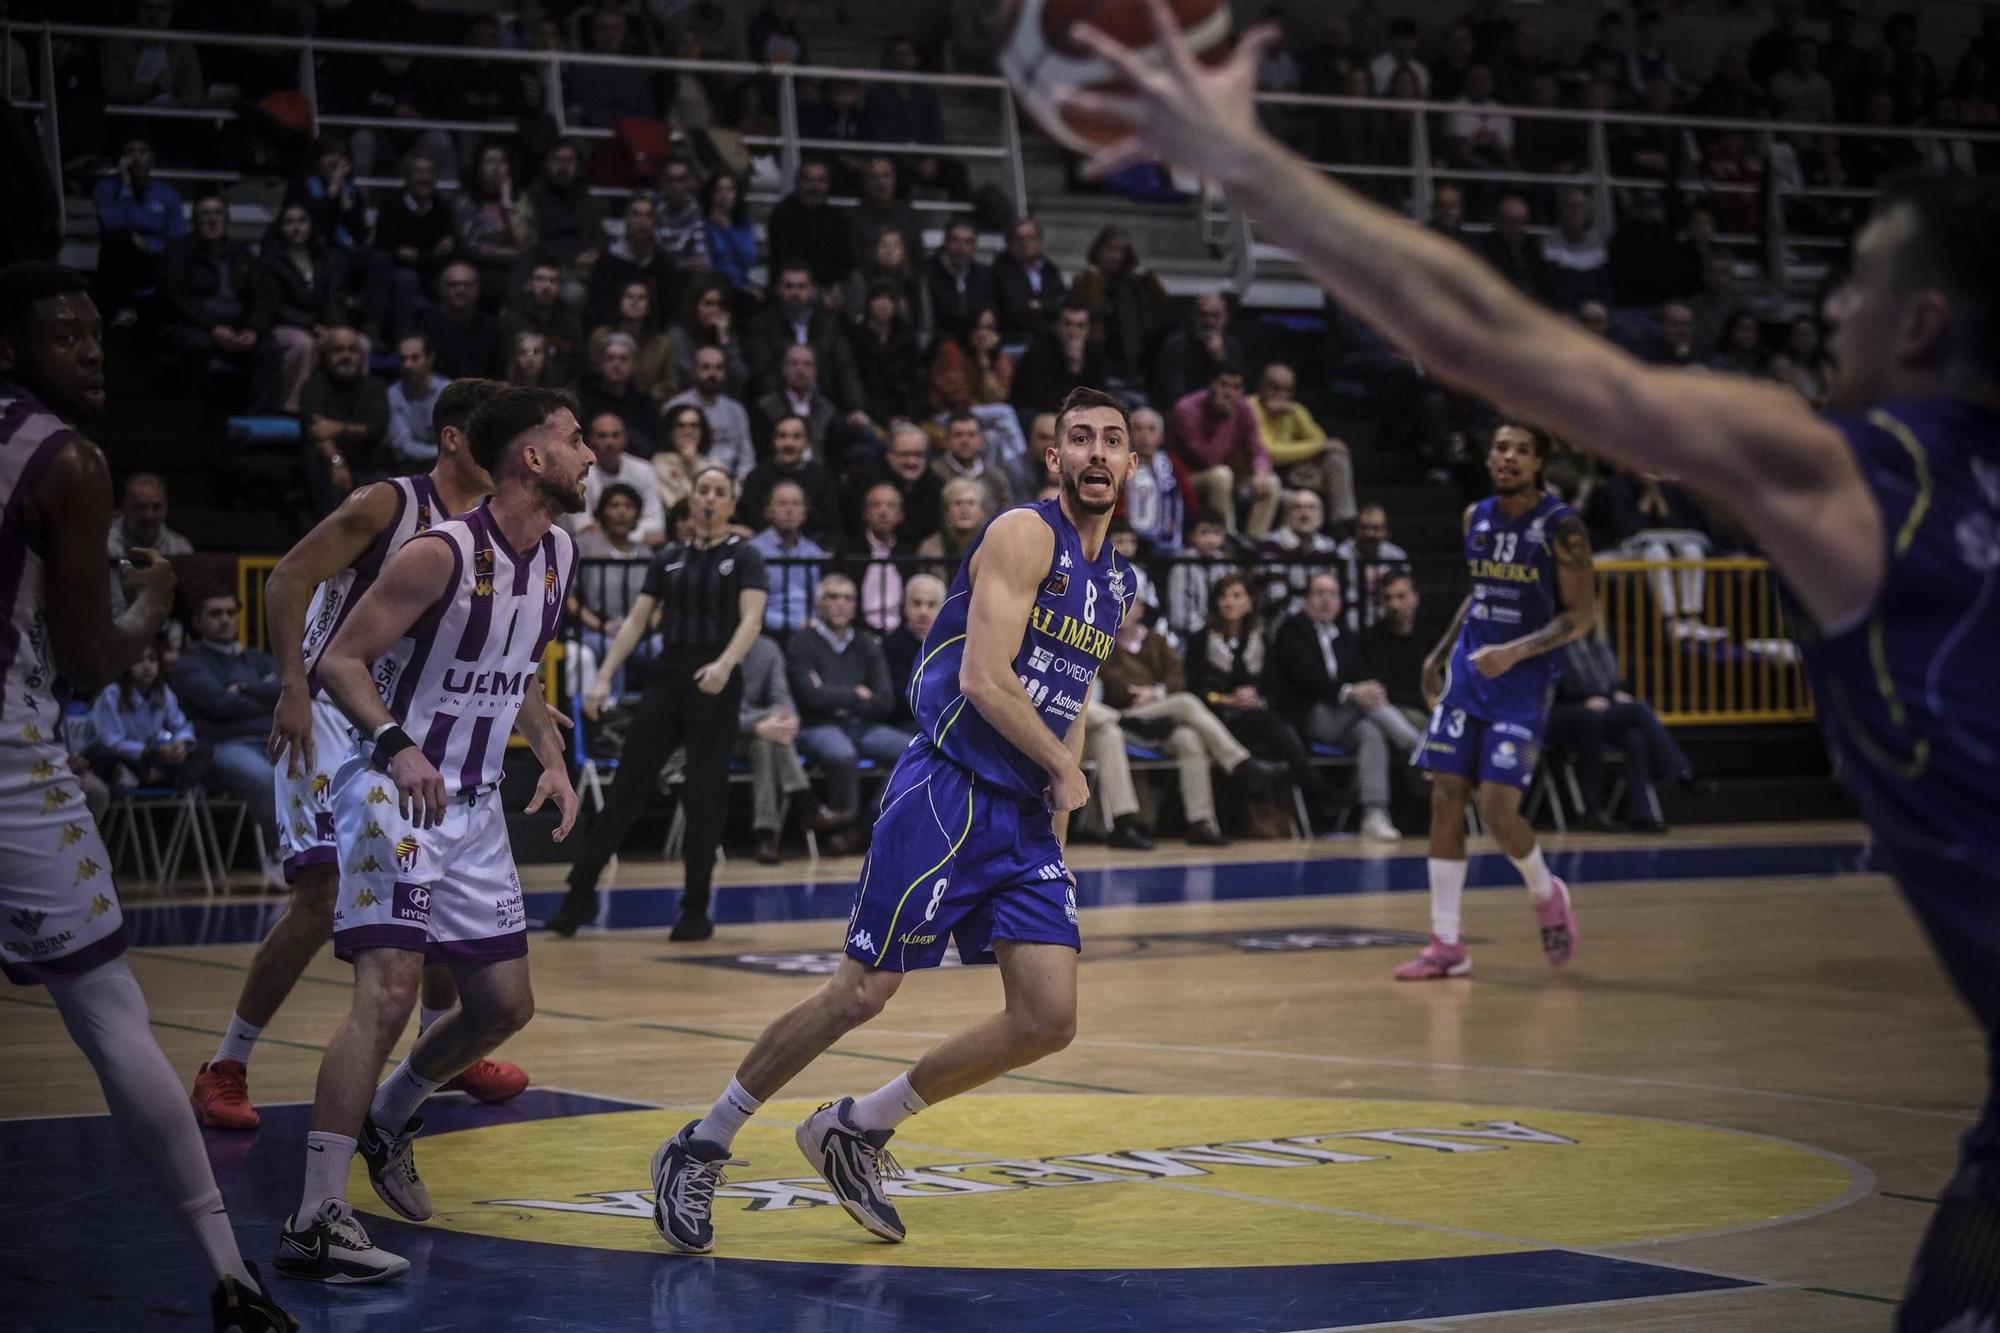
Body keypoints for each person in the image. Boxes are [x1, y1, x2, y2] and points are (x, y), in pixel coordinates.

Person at [645, 386, 1138, 1257]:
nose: (1097, 452)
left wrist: (1057, 806)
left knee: (1047, 1017)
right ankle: (702, 1142)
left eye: (1114, 440)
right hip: (948, 788)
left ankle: (858, 1127)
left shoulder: (1119, 580)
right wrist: (1067, 768)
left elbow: (1071, 697)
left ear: (1133, 463)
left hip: (1024, 817)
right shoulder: (1024, 534)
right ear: (1053, 457)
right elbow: (986, 680)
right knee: (862, 992)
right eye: (1080, 438)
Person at [0, 261, 296, 1329]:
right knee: (108, 1009)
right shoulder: (64, 459)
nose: (91, 351)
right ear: (11, 348)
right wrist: (154, 599)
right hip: (9, 751)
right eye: (64, 335)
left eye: (95, 332)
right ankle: (227, 1269)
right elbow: (87, 658)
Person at [276, 386, 583, 1284]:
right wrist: (395, 742)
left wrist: (552, 759)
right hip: (393, 793)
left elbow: (516, 667)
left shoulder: (560, 552)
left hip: (479, 805)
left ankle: (389, 1112)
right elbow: (338, 658)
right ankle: (315, 1213)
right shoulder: (437, 552)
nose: (590, 453)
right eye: (572, 440)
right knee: (390, 990)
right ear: (531, 456)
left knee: (502, 1007)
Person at [188, 380, 531, 1134]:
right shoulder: (391, 503)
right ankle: (226, 1061)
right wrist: (291, 685)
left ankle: (444, 1047)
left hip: (403, 725)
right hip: (332, 714)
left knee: (433, 880)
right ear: (452, 439)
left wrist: (535, 717)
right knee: (318, 896)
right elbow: (287, 577)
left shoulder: (492, 528)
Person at [545, 465, 770, 941]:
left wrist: (726, 664)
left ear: (732, 503)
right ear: (690, 499)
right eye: (702, 490)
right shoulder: (668, 557)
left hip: (714, 680)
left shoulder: (746, 556)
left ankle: (695, 908)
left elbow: (752, 619)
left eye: (719, 492)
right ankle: (578, 895)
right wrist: (603, 678)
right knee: (629, 783)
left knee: (705, 795)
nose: (709, 498)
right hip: (668, 677)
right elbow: (635, 622)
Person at [1098, 612, 1283, 845]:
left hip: (1161, 716)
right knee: (1185, 702)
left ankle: (1201, 823)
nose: (1126, 607)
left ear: (1141, 609)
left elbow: (1178, 674)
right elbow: (1114, 685)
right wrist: (1145, 693)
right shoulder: (1102, 639)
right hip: (1126, 718)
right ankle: (1239, 761)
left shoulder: (1154, 639)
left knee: (1190, 739)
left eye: (1133, 602)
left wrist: (1158, 693)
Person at [1267, 572, 1422, 841]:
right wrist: (1352, 692)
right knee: (1366, 707)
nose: (1326, 600)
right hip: (1308, 716)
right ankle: (1418, 746)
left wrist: (1369, 689)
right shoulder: (1292, 631)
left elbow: (1360, 673)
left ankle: (1374, 815)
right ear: (1306, 600)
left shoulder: (1345, 636)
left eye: (1332, 594)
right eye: (1319, 593)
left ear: (1340, 602)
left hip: (1344, 719)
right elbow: (1308, 679)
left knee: (1370, 731)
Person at [1183, 573, 1336, 830]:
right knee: (1270, 725)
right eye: (1223, 597)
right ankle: (1314, 784)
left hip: (1256, 716)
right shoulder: (1201, 640)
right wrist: (1227, 699)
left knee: (1271, 721)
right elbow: (1194, 690)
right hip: (1216, 718)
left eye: (1236, 596)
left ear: (1250, 603)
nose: (1229, 602)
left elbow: (1274, 686)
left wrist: (1257, 697)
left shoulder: (1261, 639)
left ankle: (1303, 788)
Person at [787, 573, 913, 836]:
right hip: (817, 726)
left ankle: (869, 821)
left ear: (856, 606)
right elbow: (810, 698)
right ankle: (845, 819)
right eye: (832, 597)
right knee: (841, 753)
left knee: (912, 750)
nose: (840, 604)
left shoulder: (868, 643)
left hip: (861, 726)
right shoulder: (802, 643)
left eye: (847, 598)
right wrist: (856, 694)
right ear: (819, 603)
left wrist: (835, 698)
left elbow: (885, 699)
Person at [171, 591, 284, 868]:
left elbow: (283, 694)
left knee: (322, 771)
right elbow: (219, 704)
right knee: (265, 779)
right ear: (197, 621)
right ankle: (281, 857)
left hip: (273, 742)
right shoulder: (188, 664)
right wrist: (262, 694)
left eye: (230, 613)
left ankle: (326, 861)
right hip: (221, 747)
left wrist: (244, 689)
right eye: (215, 613)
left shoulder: (259, 658)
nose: (225, 619)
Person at [1547, 631, 1696, 833]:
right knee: (1637, 710)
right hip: (1568, 713)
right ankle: (1677, 769)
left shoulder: (1598, 644)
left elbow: (1611, 683)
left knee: (1634, 737)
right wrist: (1587, 701)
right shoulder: (1557, 645)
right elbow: (1562, 688)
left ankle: (1641, 815)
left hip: (1600, 710)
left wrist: (1614, 695)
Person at [737, 634, 847, 865]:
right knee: (770, 738)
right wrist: (758, 724)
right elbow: (711, 714)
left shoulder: (766, 648)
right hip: (719, 736)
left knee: (768, 743)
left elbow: (783, 698)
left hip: (762, 734)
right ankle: (805, 803)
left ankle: (766, 835)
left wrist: (784, 720)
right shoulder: (707, 646)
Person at [1174, 363, 1280, 538]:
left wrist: (1261, 472)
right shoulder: (1187, 409)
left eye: (1236, 387)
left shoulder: (1244, 407)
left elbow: (1257, 448)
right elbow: (1208, 458)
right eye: (1223, 385)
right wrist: (1224, 418)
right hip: (1187, 479)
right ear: (1211, 385)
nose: (1229, 393)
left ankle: (1254, 545)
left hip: (1228, 475)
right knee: (1221, 475)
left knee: (1271, 482)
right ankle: (1227, 542)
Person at [1253, 362, 1355, 528]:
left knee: (1335, 458)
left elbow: (1321, 439)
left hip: (1294, 471)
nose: (1282, 395)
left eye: (1288, 390)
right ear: (1262, 387)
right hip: (1261, 473)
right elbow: (1268, 452)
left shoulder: (1294, 409)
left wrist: (1294, 413)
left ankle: (1344, 522)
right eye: (1276, 388)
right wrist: (1317, 447)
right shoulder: (1251, 407)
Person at [740, 415, 840, 550]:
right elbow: (750, 522)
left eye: (796, 437)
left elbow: (830, 525)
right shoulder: (757, 477)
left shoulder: (822, 478)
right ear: (773, 441)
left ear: (808, 443)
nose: (788, 443)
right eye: (782, 436)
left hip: (812, 552)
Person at [577, 410, 669, 546]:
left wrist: (619, 534)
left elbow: (656, 524)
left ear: (625, 439)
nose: (609, 442)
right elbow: (583, 528)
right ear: (590, 440)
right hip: (593, 551)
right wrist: (639, 535)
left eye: (615, 435)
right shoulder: (580, 473)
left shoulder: (644, 469)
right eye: (602, 436)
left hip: (636, 551)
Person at [748, 479, 829, 633]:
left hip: (812, 630)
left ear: (804, 513)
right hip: (767, 632)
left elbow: (818, 601)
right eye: (782, 503)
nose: (790, 510)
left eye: (796, 504)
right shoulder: (753, 551)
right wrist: (796, 624)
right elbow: (752, 610)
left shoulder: (813, 552)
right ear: (768, 511)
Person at [666, 346, 755, 482]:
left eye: (718, 368)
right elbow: (667, 454)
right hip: (686, 480)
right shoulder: (675, 407)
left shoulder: (736, 410)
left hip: (730, 482)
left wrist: (739, 482)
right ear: (694, 371)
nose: (712, 374)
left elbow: (747, 457)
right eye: (706, 367)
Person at [1120, 406, 1192, 554]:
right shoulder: (1119, 465)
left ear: (1161, 436)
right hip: (1128, 544)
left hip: (1169, 542)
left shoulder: (1172, 464)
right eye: (1138, 429)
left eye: (1151, 429)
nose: (1144, 435)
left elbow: (1190, 503)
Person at [418, 262, 505, 381]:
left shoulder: (492, 327)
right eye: (454, 285)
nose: (461, 290)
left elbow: (497, 372)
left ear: (478, 288)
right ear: (441, 288)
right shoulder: (427, 327)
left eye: (468, 285)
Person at [992, 216, 1067, 348]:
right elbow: (1013, 311)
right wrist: (1045, 307)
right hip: (1013, 341)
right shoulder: (998, 273)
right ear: (1009, 243)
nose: (1025, 243)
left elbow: (1061, 304)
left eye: (1031, 238)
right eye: (1019, 239)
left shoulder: (1051, 271)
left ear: (1040, 242)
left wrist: (1040, 306)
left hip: (1050, 340)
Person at [849, 481, 913, 634]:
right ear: (865, 513)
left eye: (891, 506)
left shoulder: (908, 551)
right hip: (859, 630)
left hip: (902, 631)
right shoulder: (851, 549)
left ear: (900, 515)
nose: (883, 512)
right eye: (876, 505)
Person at [882, 573, 944, 725]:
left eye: (931, 605)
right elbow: (898, 697)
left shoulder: (953, 645)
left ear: (943, 609)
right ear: (904, 607)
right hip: (906, 723)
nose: (923, 612)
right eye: (916, 604)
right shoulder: (891, 645)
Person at [387, 332, 451, 471]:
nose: (408, 365)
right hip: (411, 467)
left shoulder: (447, 390)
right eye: (403, 359)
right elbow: (403, 446)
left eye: (414, 358)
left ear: (430, 358)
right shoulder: (393, 395)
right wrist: (442, 452)